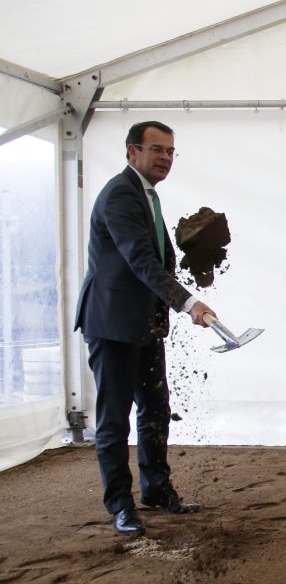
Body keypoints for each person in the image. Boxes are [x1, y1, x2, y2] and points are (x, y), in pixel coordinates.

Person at [74, 120, 216, 536]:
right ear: (132, 151)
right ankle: (120, 505)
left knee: (155, 408)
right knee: (114, 418)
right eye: (157, 150)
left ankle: (156, 490)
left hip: (145, 324)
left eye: (171, 151)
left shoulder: (147, 196)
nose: (165, 158)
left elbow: (157, 258)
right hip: (113, 324)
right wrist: (188, 302)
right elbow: (140, 260)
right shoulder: (121, 194)